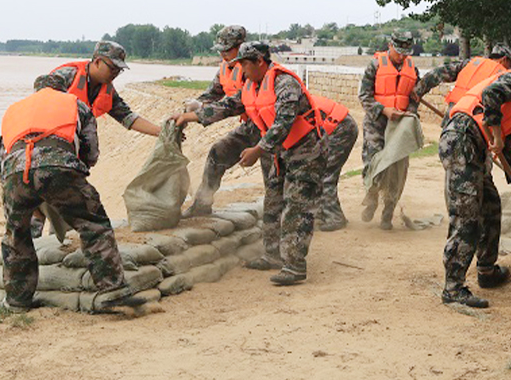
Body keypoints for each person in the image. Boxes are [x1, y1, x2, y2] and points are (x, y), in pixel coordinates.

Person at [174, 42, 324, 286]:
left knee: (297, 205)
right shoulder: (250, 85)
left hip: (304, 152)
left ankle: (295, 265)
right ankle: (273, 254)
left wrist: (258, 150)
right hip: (278, 152)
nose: (240, 69)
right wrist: (189, 116)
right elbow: (227, 106)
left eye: (244, 64)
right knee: (273, 201)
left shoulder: (285, 83)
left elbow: (283, 124)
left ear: (260, 62)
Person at [0, 75, 138, 312]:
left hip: (14, 173)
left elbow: (2, 157)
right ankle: (112, 290)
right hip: (58, 166)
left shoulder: (14, 110)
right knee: (93, 223)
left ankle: (17, 301)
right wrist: (73, 176)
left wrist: (21, 190)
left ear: (36, 90)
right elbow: (90, 151)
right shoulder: (75, 103)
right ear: (63, 89)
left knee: (16, 234)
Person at [438, 58, 511, 308]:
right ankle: (453, 289)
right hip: (461, 141)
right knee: (467, 217)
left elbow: (509, 155)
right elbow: (490, 94)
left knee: (491, 206)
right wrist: (498, 135)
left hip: (475, 148)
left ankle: (486, 270)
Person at [180, 25, 258, 217]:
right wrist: (196, 104)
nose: (223, 54)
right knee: (219, 152)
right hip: (252, 125)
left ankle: (321, 213)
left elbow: (233, 105)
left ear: (241, 46)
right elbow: (213, 94)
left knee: (277, 173)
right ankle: (202, 204)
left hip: (273, 127)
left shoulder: (252, 68)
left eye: (228, 49)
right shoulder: (224, 68)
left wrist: (198, 114)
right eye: (220, 49)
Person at [358, 30, 421, 229]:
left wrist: (409, 113)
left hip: (399, 127)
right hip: (376, 123)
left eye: (406, 52)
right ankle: (372, 198)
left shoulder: (413, 69)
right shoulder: (375, 65)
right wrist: (384, 110)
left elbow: (414, 99)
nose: (402, 56)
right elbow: (364, 97)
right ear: (390, 45)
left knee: (397, 170)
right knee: (374, 163)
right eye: (399, 51)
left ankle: (388, 213)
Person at [42, 40, 160, 137]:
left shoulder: (107, 90)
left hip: (74, 139)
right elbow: (40, 95)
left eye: (119, 71)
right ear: (98, 62)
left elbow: (128, 117)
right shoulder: (68, 75)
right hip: (47, 136)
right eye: (112, 69)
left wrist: (162, 132)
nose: (115, 74)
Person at [413, 43, 511, 122]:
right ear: (504, 59)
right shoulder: (502, 76)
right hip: (474, 125)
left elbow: (438, 73)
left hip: (451, 119)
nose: (509, 68)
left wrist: (419, 91)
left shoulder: (471, 64)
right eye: (510, 64)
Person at [309, 94, 359, 232]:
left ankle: (334, 217)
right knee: (317, 172)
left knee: (325, 174)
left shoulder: (288, 104)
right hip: (339, 126)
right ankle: (323, 211)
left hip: (341, 129)